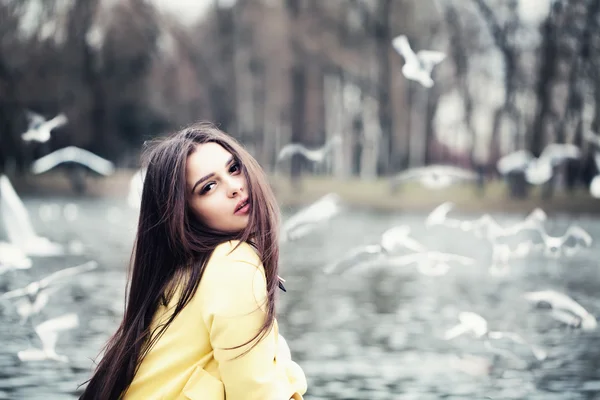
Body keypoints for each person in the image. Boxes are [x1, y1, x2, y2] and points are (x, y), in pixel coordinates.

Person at [79, 122, 307, 399]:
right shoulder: (234, 264)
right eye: (208, 187)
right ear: (184, 214)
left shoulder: (183, 276)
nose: (234, 187)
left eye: (234, 168)